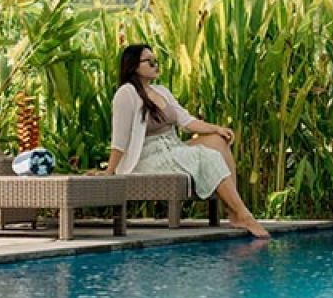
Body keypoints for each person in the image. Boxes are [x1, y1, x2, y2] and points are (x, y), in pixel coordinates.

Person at [94, 44, 269, 239]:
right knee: (207, 157)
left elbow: (186, 121)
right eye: (149, 61)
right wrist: (110, 170)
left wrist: (216, 128)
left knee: (219, 141)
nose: (155, 65)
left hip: (171, 146)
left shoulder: (162, 91)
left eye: (156, 60)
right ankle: (244, 215)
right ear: (134, 66)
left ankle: (233, 212)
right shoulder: (126, 94)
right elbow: (120, 138)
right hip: (146, 156)